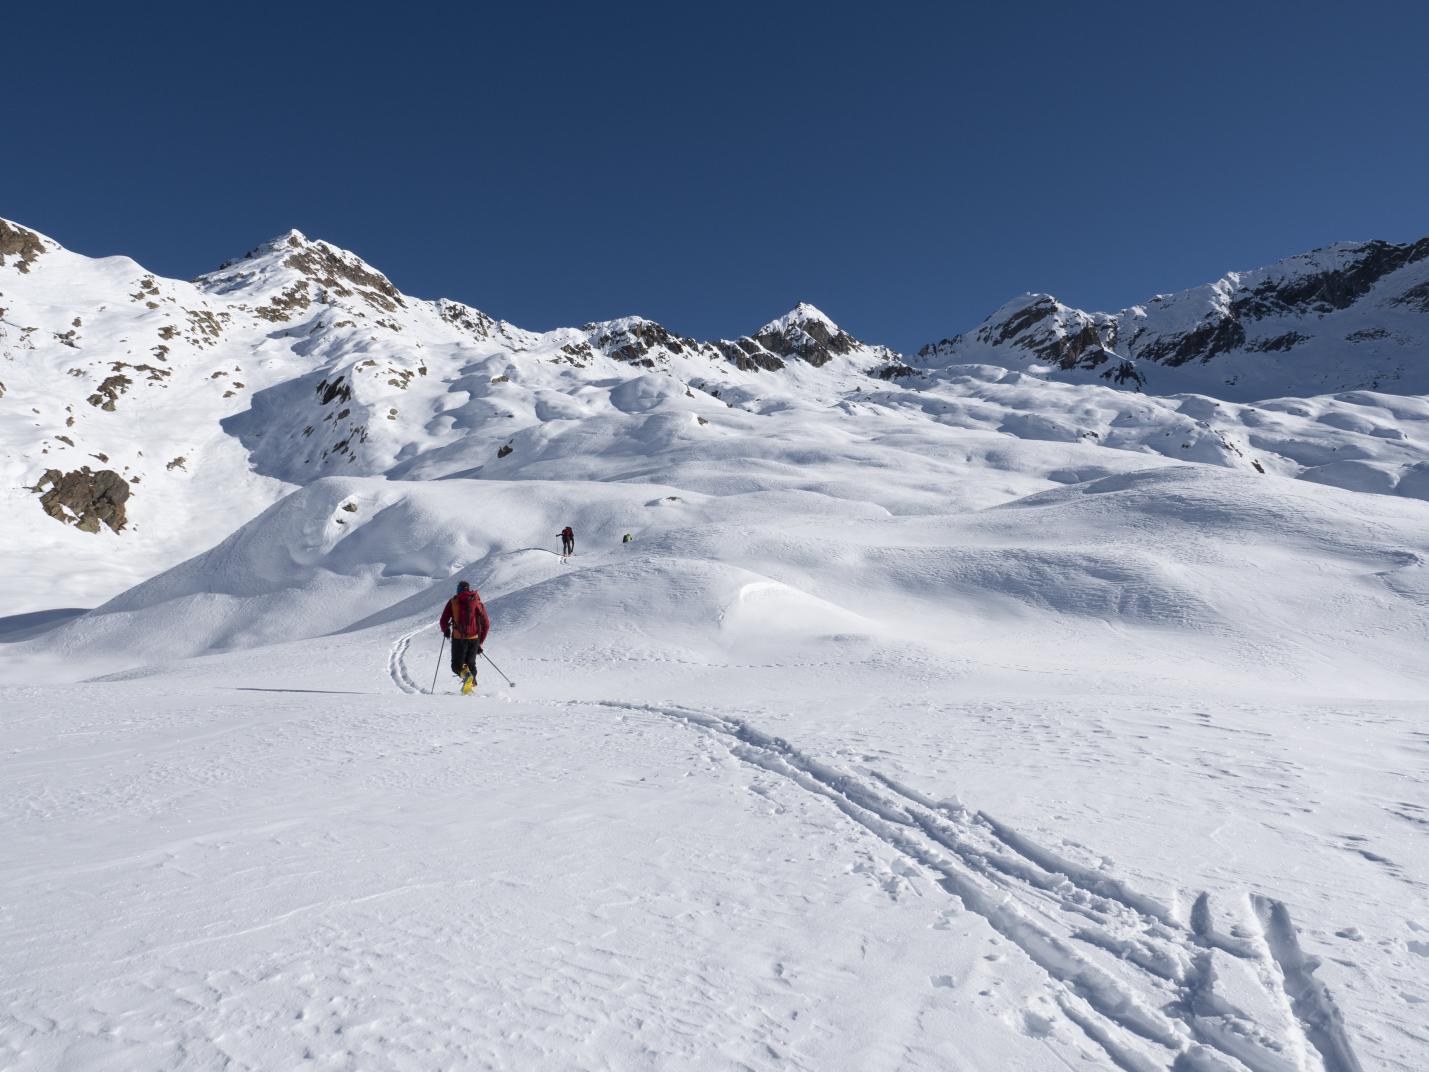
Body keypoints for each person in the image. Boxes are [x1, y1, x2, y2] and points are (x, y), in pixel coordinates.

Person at [439, 580, 490, 684]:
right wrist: (479, 643)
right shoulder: (477, 601)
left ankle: (466, 677)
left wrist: (446, 630)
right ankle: (469, 688)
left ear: (458, 590)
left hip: (459, 639)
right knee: (471, 664)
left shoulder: (453, 601)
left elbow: (443, 620)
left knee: (456, 666)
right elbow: (486, 624)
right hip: (474, 639)